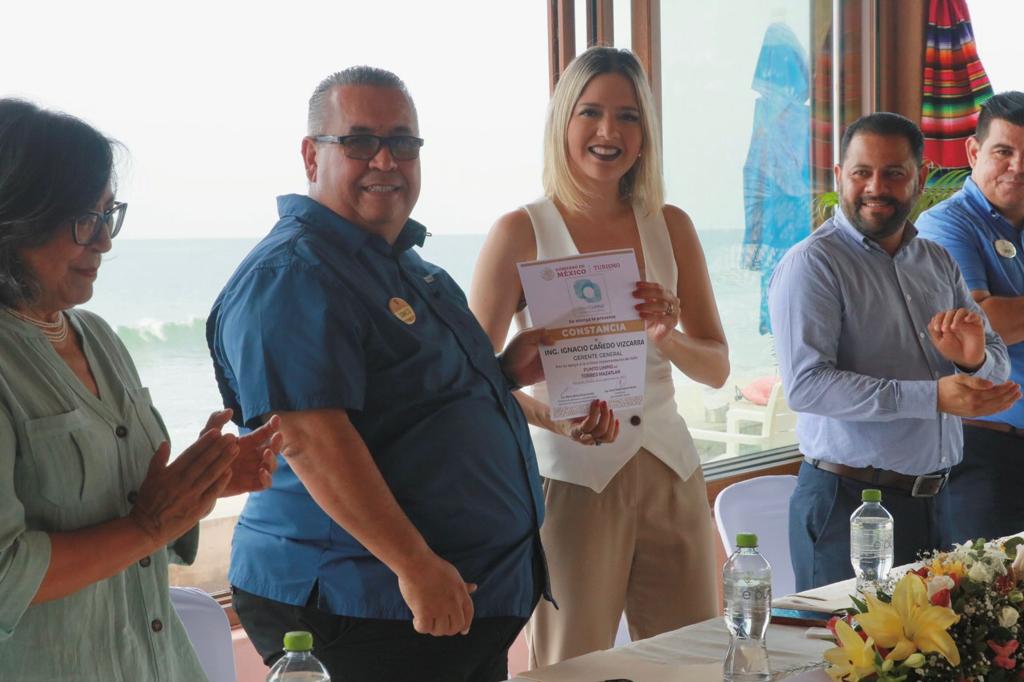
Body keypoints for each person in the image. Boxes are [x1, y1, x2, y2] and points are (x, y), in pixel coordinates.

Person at [206, 66, 583, 682]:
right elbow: (310, 437)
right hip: (358, 603)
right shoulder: (293, 274)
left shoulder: (412, 268)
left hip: (455, 604)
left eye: (403, 142)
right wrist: (414, 564)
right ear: (311, 155)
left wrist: (505, 374)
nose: (386, 159)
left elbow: (415, 402)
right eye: (360, 141)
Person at [0, 99, 280, 680]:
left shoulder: (98, 337)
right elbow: (6, 577)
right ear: (16, 217)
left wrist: (203, 483)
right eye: (85, 219)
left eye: (109, 214)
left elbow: (131, 512)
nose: (104, 241)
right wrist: (149, 525)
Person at [470, 46, 728, 668]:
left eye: (628, 116)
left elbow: (717, 368)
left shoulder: (672, 225)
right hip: (572, 483)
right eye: (590, 112)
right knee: (570, 667)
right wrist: (552, 420)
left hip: (672, 473)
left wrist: (668, 335)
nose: (609, 131)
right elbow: (471, 381)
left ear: (646, 135)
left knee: (691, 664)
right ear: (562, 121)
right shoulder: (519, 231)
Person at [768, 112, 1019, 591]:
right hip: (849, 505)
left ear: (921, 178)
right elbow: (807, 386)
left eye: (894, 173)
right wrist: (934, 396)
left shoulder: (936, 260)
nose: (875, 187)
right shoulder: (813, 264)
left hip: (938, 500)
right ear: (839, 175)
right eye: (862, 172)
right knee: (846, 642)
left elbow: (994, 357)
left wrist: (971, 361)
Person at [917, 91, 1024, 543]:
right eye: (1004, 151)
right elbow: (984, 324)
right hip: (984, 450)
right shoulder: (945, 225)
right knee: (987, 583)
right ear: (974, 151)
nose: (1017, 166)